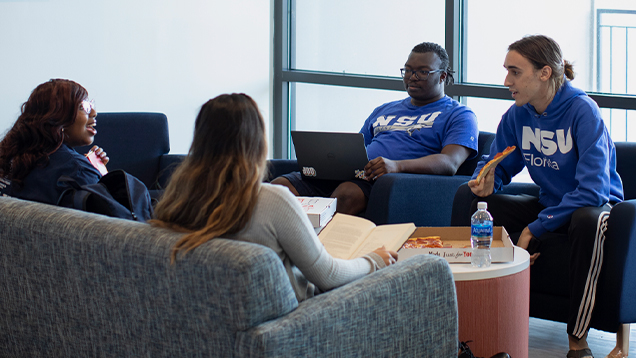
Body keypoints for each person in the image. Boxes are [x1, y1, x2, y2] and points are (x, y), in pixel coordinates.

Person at [150, 93, 398, 302]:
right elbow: (327, 275)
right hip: (294, 317)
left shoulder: (177, 196)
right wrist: (374, 260)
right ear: (255, 142)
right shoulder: (270, 200)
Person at [466, 35, 623, 358]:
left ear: (545, 73)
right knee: (483, 206)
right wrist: (485, 181)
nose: (506, 81)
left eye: (515, 72)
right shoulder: (518, 114)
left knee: (585, 220)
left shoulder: (583, 111)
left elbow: (593, 190)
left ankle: (577, 342)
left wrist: (533, 229)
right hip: (552, 203)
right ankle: (477, 319)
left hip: (598, 208)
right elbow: (501, 162)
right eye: (506, 71)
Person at [272, 42, 479, 215]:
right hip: (355, 174)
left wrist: (397, 166)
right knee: (278, 189)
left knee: (346, 194)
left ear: (442, 76)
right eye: (408, 70)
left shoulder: (459, 115)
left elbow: (450, 163)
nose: (412, 77)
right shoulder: (384, 109)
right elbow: (357, 148)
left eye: (422, 72)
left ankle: (320, 260)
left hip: (388, 183)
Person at [0, 79, 109, 205]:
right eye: (84, 107)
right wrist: (97, 175)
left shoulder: (10, 158)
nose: (94, 113)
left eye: (91, 106)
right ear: (58, 118)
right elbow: (115, 221)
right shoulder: (76, 171)